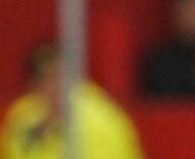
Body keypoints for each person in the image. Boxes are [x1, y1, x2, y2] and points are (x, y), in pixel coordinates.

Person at [0, 42, 143, 159]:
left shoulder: (100, 119)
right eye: (44, 78)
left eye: (58, 76)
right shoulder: (22, 117)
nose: (54, 86)